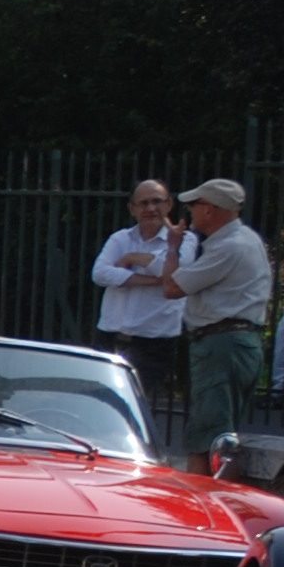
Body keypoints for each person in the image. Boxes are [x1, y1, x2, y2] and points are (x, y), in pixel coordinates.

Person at [167, 178, 272, 466]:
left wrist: (173, 248)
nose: (189, 211)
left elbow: (172, 287)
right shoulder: (246, 239)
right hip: (234, 343)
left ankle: (204, 504)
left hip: (221, 345)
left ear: (210, 210)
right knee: (220, 435)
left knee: (209, 439)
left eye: (193, 205)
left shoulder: (229, 247)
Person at [92, 176, 185, 411]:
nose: (150, 208)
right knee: (102, 404)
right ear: (132, 208)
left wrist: (133, 258)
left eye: (157, 201)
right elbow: (100, 273)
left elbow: (176, 277)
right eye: (143, 203)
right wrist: (153, 279)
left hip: (153, 341)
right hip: (111, 335)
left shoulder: (185, 241)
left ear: (169, 204)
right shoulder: (120, 238)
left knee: (130, 405)